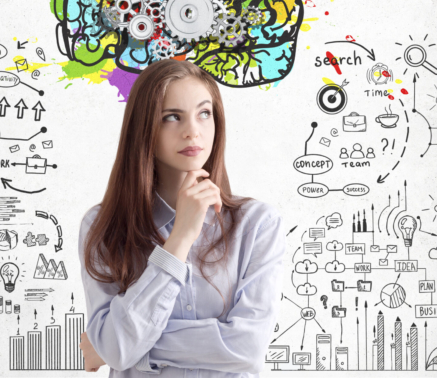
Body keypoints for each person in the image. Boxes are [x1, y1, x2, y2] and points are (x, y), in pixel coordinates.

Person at [78, 59, 287, 376]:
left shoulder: (257, 224)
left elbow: (248, 349)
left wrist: (117, 348)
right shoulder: (102, 225)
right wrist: (180, 238)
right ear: (144, 127)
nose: (193, 131)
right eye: (172, 117)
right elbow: (115, 349)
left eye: (204, 113)